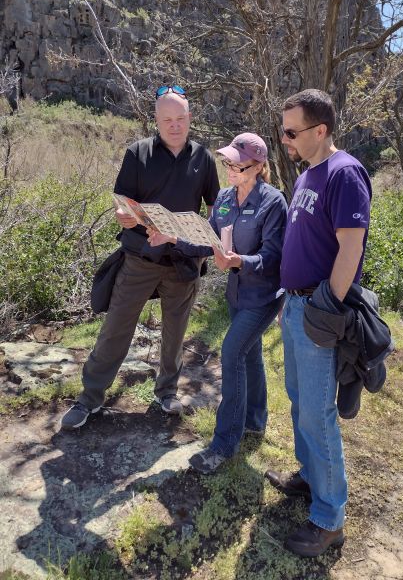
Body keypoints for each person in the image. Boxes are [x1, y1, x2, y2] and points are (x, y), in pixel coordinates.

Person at [61, 85, 220, 430]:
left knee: (175, 333)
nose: (174, 125)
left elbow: (214, 208)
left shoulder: (204, 158)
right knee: (116, 327)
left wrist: (207, 240)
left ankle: (166, 392)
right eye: (167, 120)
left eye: (180, 119)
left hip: (182, 263)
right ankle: (89, 398)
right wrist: (124, 216)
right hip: (140, 259)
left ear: (189, 119)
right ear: (157, 121)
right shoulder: (138, 153)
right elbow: (123, 202)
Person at [265, 89, 372, 557]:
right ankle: (310, 477)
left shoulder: (345, 173)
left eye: (291, 131)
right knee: (298, 400)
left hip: (317, 312)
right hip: (294, 305)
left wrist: (327, 304)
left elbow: (352, 248)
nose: (284, 139)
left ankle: (329, 520)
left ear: (320, 130)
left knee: (318, 412)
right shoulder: (310, 173)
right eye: (282, 130)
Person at [148, 133, 287, 474]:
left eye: (236, 165)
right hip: (237, 296)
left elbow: (273, 256)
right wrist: (172, 237)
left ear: (258, 167)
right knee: (251, 356)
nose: (229, 170)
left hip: (264, 296)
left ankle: (224, 444)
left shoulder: (273, 202)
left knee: (232, 353)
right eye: (227, 162)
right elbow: (204, 240)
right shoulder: (225, 198)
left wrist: (239, 261)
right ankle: (255, 421)